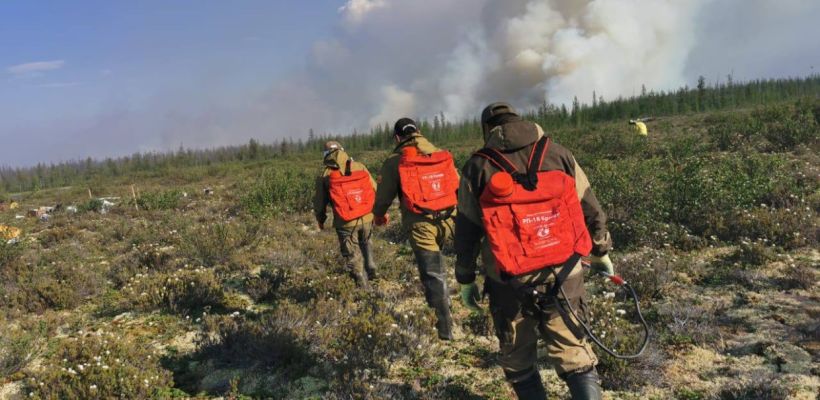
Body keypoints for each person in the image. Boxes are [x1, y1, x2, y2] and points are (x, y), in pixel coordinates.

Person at [454, 102, 615, 399]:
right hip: (565, 271)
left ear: (487, 129)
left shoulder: (477, 166)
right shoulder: (558, 152)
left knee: (517, 358)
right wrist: (601, 250)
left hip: (509, 280)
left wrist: (465, 279)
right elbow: (590, 207)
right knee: (574, 350)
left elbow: (466, 230)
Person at [372, 118, 460, 340]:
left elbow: (383, 196)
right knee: (438, 267)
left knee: (431, 274)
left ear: (397, 137)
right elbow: (457, 184)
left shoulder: (395, 160)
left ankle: (444, 329)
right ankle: (448, 304)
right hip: (449, 218)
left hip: (421, 224)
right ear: (419, 132)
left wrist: (379, 215)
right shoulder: (440, 153)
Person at [313, 141, 378, 288]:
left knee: (352, 254)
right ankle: (371, 266)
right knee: (366, 242)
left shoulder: (325, 174)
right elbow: (374, 188)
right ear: (343, 151)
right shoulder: (360, 166)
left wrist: (320, 219)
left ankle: (362, 285)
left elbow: (320, 202)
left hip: (345, 222)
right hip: (367, 216)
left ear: (325, 154)